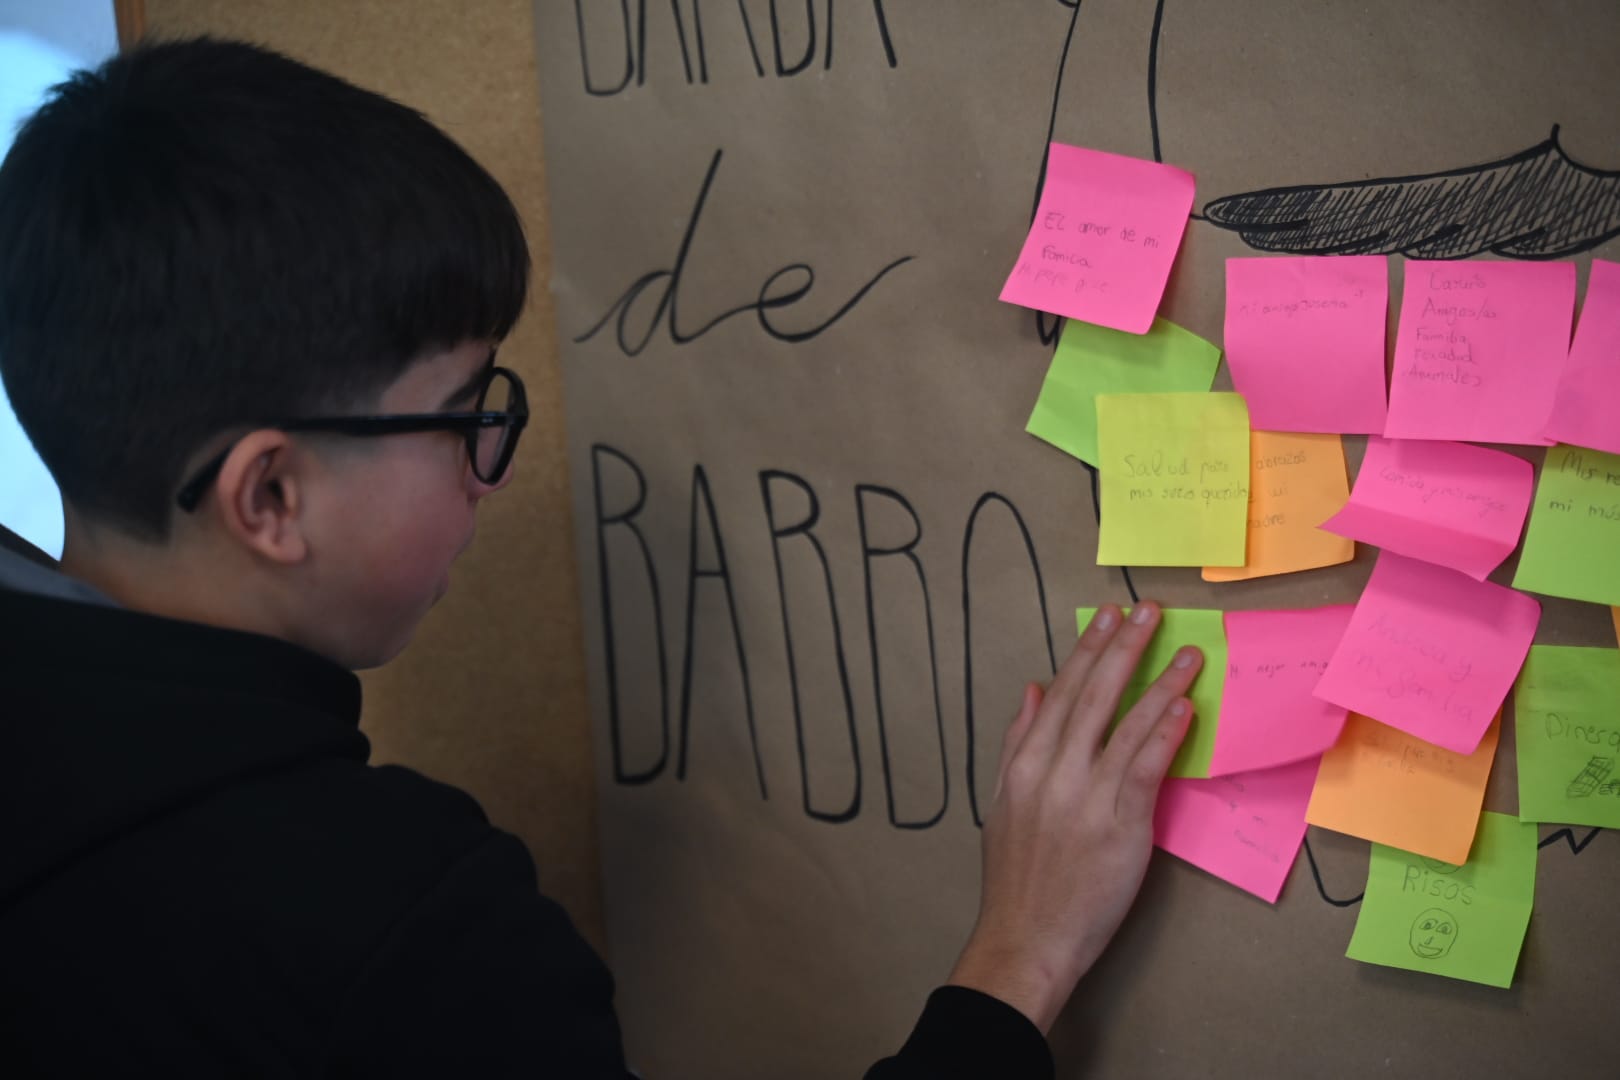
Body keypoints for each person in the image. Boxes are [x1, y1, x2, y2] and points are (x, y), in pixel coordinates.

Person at [0, 38, 1202, 1078]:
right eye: (463, 416)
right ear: (270, 496)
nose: (489, 468)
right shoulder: (396, 923)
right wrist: (1022, 954)